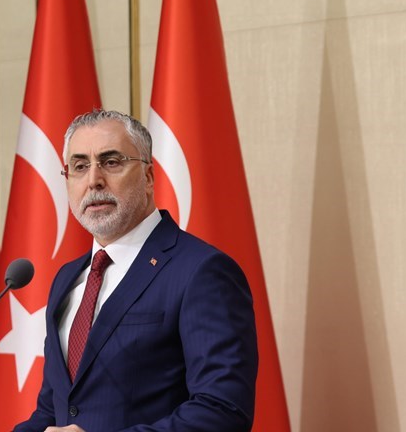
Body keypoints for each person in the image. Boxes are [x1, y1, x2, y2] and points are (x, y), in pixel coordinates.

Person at [13, 109, 257, 432]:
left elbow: (223, 410)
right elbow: (53, 412)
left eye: (111, 162)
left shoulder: (201, 271)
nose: (93, 180)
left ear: (148, 177)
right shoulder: (67, 280)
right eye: (80, 166)